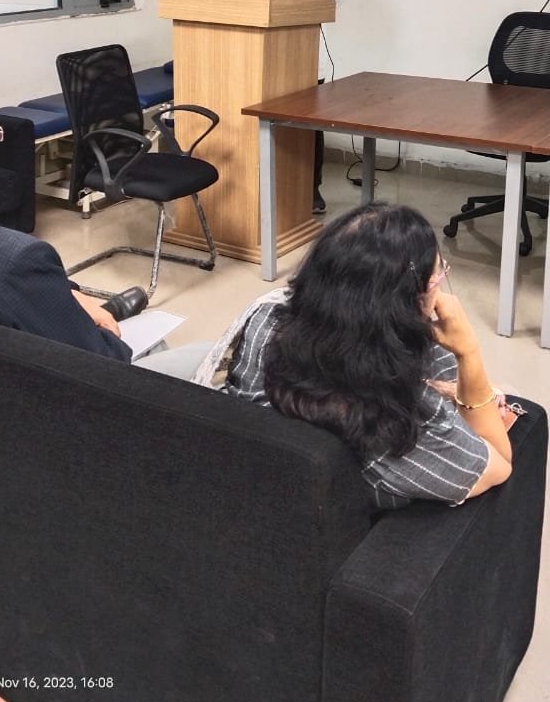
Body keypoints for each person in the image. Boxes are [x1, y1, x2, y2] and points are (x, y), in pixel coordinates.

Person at [195, 203, 514, 509]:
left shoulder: (267, 321)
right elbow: (500, 464)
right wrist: (469, 352)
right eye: (438, 277)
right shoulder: (396, 424)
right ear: (409, 302)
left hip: (245, 482)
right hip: (345, 517)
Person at [0, 95, 209, 372]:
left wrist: (68, 295)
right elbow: (98, 363)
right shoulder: (16, 260)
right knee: (201, 353)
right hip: (45, 390)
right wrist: (108, 336)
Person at [236, 0, 341, 213]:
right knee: (267, 122)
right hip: (264, 52)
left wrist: (293, 8)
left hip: (305, 51)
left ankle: (311, 190)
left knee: (310, 125)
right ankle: (266, 188)